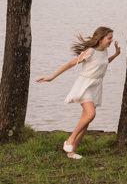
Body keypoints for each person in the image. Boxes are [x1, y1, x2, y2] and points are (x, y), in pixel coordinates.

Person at [36, 26, 121, 159]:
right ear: (100, 38)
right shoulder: (90, 52)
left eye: (111, 38)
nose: (111, 40)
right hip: (85, 85)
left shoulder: (104, 51)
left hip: (96, 86)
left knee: (86, 121)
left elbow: (103, 63)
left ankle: (71, 152)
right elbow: (71, 64)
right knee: (91, 114)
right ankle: (70, 140)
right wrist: (51, 77)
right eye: (109, 38)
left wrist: (116, 55)